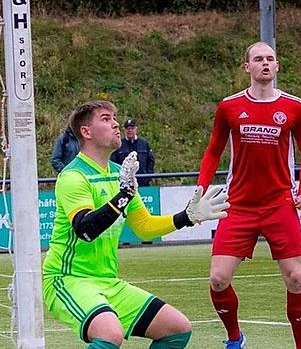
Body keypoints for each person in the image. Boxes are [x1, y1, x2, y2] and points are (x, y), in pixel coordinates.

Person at [43, 100, 228, 349]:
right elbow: (86, 229)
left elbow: (143, 226)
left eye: (115, 117)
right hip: (67, 279)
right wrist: (123, 196)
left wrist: (187, 216)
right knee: (110, 334)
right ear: (86, 132)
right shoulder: (73, 176)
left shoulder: (119, 173)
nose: (116, 123)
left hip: (107, 281)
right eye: (106, 119)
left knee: (177, 329)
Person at [198, 42, 301, 349]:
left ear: (277, 67)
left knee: (295, 279)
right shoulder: (229, 106)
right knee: (218, 279)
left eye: (270, 59)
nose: (265, 63)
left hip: (279, 204)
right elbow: (213, 150)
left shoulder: (294, 106)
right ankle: (235, 338)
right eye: (258, 59)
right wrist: (200, 189)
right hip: (237, 206)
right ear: (246, 67)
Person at [110, 119, 156, 187]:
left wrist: (147, 177)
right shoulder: (119, 145)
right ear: (124, 130)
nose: (130, 130)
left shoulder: (144, 143)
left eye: (132, 128)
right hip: (125, 184)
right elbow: (113, 162)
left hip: (143, 183)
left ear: (136, 129)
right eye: (128, 128)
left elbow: (151, 161)